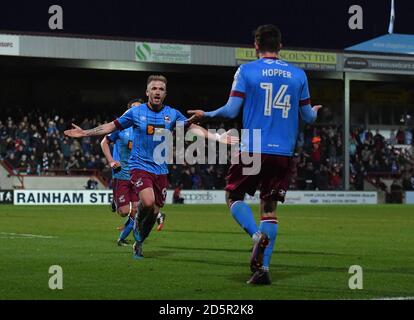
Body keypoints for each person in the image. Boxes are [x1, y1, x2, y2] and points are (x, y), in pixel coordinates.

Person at [187, 24, 322, 285]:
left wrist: (207, 115)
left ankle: (255, 235)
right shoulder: (298, 75)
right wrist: (315, 111)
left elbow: (230, 110)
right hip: (284, 150)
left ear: (256, 46)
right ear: (281, 46)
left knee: (233, 195)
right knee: (269, 209)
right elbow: (307, 116)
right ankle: (264, 270)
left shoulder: (247, 71)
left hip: (253, 145)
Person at [65, 75, 237, 259]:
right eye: (154, 88)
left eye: (161, 89)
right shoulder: (135, 113)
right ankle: (137, 219)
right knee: (147, 202)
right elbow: (110, 127)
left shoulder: (172, 114)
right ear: (147, 92)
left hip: (161, 170)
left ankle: (138, 241)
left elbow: (191, 128)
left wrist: (217, 137)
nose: (157, 91)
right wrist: (85, 133)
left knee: (154, 212)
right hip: (139, 165)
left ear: (165, 94)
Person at [100, 98, 166, 247]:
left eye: (140, 108)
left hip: (138, 174)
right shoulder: (121, 129)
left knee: (137, 209)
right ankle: (117, 203)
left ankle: (128, 239)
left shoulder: (145, 130)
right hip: (121, 175)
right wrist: (111, 160)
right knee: (123, 212)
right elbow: (104, 142)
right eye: (134, 108)